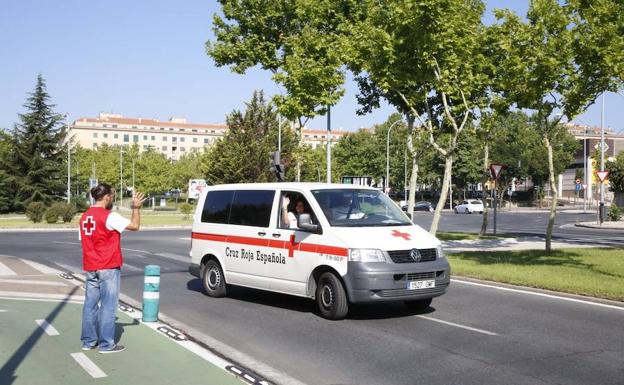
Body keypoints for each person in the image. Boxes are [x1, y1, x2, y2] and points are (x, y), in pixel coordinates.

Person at [79, 183, 147, 353]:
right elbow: (134, 226)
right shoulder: (109, 216)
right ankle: (106, 344)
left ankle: (88, 342)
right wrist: (136, 208)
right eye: (113, 195)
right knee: (108, 306)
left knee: (90, 305)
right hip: (108, 265)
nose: (113, 198)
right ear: (107, 196)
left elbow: (85, 240)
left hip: (90, 265)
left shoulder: (85, 217)